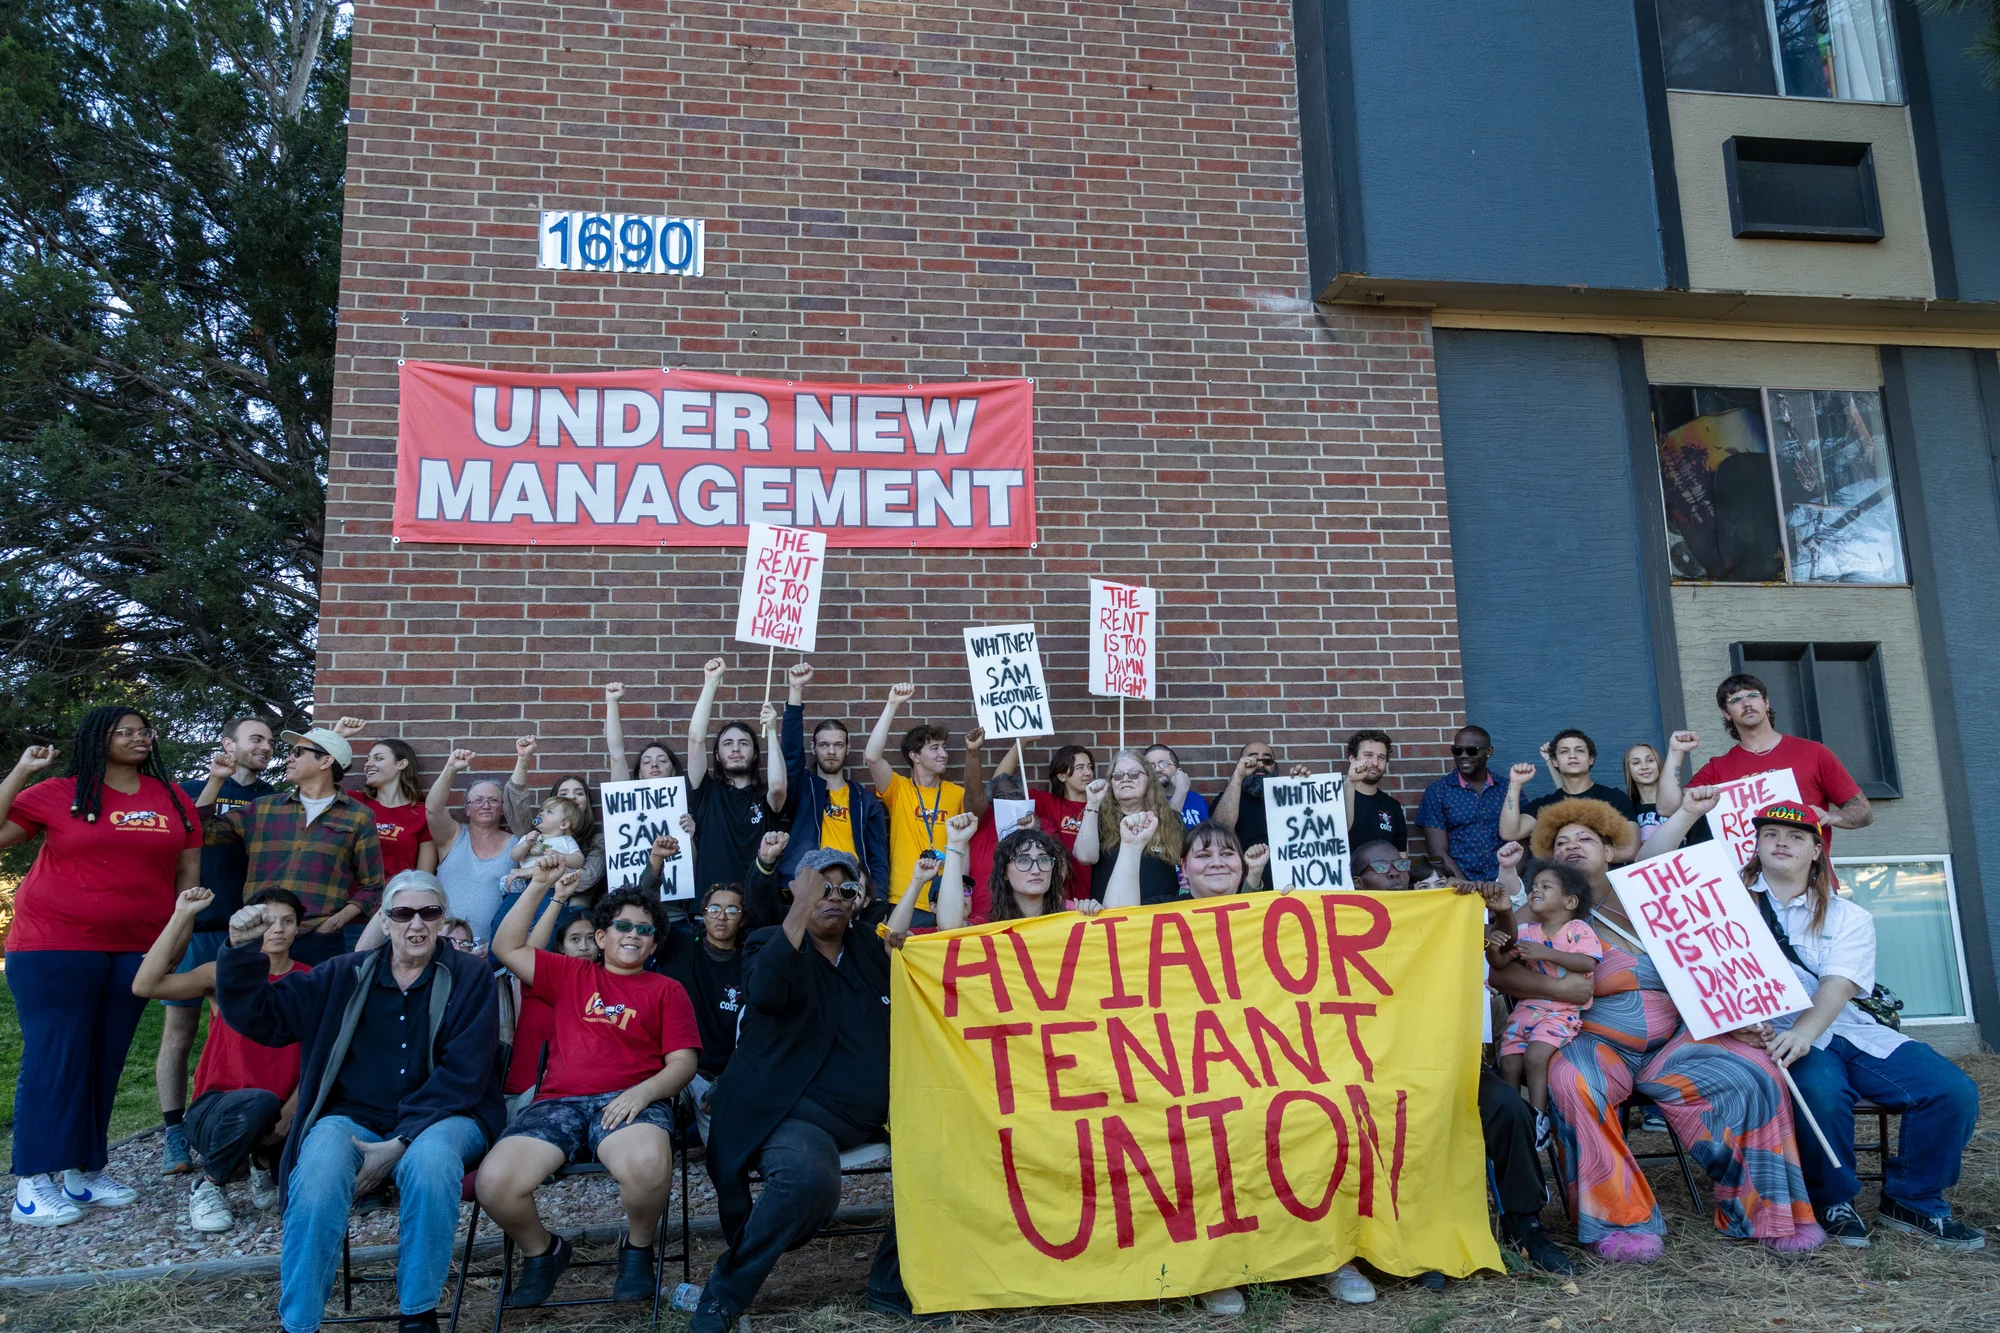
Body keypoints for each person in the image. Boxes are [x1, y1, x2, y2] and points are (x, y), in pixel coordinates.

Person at [1507, 795, 1826, 1261]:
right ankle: (1619, 1222)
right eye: (1561, 841)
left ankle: (1767, 1214)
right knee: (1569, 1081)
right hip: (1591, 1038)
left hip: (1678, 1039)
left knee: (1756, 1071)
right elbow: (1501, 971)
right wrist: (1559, 988)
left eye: (1586, 838)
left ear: (1612, 848)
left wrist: (1737, 1016)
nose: (1573, 846)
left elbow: (1716, 963)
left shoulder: (1654, 895)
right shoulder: (1538, 913)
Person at [1104, 815, 1373, 1311]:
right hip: (1192, 1069)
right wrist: (1132, 845)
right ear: (1184, 869)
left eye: (1226, 853)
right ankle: (1218, 1270)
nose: (1217, 862)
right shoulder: (1166, 913)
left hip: (1274, 1065)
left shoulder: (1271, 910)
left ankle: (1328, 1258)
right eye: (1203, 854)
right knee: (1205, 1137)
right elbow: (1115, 923)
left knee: (1313, 1122)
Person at [215, 870, 504, 1333]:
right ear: (384, 923)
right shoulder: (342, 975)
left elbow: (465, 1073)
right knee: (318, 1169)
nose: (416, 924)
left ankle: (418, 1314)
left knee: (430, 1163)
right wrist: (240, 953)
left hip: (447, 1115)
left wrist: (402, 1141)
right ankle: (299, 1323)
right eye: (402, 913)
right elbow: (261, 1017)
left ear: (441, 918)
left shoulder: (471, 976)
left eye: (429, 913)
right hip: (353, 1116)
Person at [1738, 802, 1983, 1251]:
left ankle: (1914, 1201)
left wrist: (1804, 1034)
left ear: (1816, 850)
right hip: (1773, 1034)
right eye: (1770, 833)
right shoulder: (1728, 910)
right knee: (1821, 1094)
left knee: (1952, 1090)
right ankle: (1833, 1201)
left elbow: (1838, 986)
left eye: (1795, 836)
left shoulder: (1849, 916)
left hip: (1846, 1030)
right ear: (1756, 844)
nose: (1781, 842)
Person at [689, 851, 918, 1331]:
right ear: (798, 891)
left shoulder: (872, 948)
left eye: (845, 889)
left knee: (953, 1151)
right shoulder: (766, 941)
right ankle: (724, 1294)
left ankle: (889, 1282)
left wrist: (908, 952)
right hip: (795, 1113)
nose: (833, 898)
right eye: (821, 887)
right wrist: (798, 907)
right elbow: (767, 992)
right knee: (808, 1180)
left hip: (882, 1112)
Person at [2, 710, 201, 1227]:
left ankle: (82, 1173)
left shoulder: (174, 798)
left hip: (135, 949)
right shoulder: (59, 791)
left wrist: (174, 940)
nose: (138, 738)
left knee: (104, 1058)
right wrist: (23, 771)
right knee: (56, 1056)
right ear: (98, 739)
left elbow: (188, 874)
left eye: (144, 731)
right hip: (55, 943)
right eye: (124, 731)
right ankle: (32, 1181)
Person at [1349, 839, 1574, 1276]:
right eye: (1381, 866)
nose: (1395, 871)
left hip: (1451, 1060)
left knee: (1510, 1108)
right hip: (1380, 1070)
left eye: (1400, 862)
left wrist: (1502, 911)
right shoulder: (1343, 929)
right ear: (1359, 882)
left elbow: (1503, 955)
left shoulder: (1440, 919)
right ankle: (1419, 1235)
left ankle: (1524, 1224)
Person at [480, 865, 701, 1307]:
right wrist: (542, 887)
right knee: (495, 1183)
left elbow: (684, 1063)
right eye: (622, 925)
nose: (633, 934)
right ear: (601, 937)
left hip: (631, 1100)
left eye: (645, 929)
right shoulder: (569, 974)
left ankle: (637, 1250)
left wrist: (643, 1093)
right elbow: (506, 947)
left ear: (654, 942)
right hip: (559, 1103)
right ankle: (543, 1252)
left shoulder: (666, 990)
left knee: (647, 1165)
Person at [133, 886, 310, 1234]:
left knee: (302, 1182)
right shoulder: (222, 974)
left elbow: (323, 1053)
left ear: (297, 928)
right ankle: (209, 1186)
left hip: (285, 1111)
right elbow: (145, 985)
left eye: (287, 921)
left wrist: (292, 1111)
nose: (277, 929)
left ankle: (262, 1166)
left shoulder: (312, 979)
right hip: (219, 1109)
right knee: (257, 1103)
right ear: (249, 923)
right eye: (267, 921)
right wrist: (182, 914)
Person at [159, 713, 277, 1177]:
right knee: (180, 1030)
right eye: (256, 738)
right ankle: (174, 1132)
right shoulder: (190, 788)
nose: (265, 746)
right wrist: (214, 782)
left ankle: (232, 1124)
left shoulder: (271, 799)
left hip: (246, 929)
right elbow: (186, 831)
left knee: (238, 1031)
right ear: (228, 744)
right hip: (194, 925)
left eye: (269, 740)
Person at [196, 726, 385, 966]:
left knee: (315, 1004)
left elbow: (373, 885)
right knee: (250, 1002)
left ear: (326, 761)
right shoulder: (263, 808)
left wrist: (334, 923)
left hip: (318, 940)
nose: (288, 757)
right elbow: (203, 833)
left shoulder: (359, 816)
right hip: (259, 934)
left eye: (298, 752)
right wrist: (216, 779)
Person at [1662, 674, 1873, 863]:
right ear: (1726, 713)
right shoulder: (1718, 767)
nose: (1746, 703)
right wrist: (1675, 753)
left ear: (1766, 702)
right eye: (1735, 700)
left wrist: (1830, 817)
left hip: (1812, 882)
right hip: (1751, 889)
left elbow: (1864, 812)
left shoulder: (1813, 752)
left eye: (1752, 695)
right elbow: (1668, 808)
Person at [1490, 861, 1602, 1145]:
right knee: (1509, 1063)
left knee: (1535, 1057)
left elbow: (1587, 961)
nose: (1535, 890)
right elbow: (1501, 964)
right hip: (1526, 1011)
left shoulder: (1577, 929)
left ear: (1570, 901)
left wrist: (1546, 953)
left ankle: (1538, 1118)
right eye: (1534, 886)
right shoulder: (1526, 930)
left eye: (1545, 887)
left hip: (1559, 1013)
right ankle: (1512, 1120)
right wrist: (1493, 947)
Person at [862, 682, 971, 925]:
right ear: (914, 756)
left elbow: (964, 846)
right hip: (906, 895)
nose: (943, 754)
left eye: (943, 747)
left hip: (948, 897)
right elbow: (871, 756)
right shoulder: (898, 789)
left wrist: (964, 892)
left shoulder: (957, 794)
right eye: (934, 748)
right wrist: (892, 705)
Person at [777, 663, 890, 892]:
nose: (831, 751)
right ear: (813, 748)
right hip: (809, 885)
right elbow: (790, 754)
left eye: (838, 745)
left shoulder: (864, 800)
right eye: (824, 745)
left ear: (848, 748)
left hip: (852, 890)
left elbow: (878, 856)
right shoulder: (803, 787)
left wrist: (877, 897)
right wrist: (795, 692)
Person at [653, 874, 748, 1145]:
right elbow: (646, 906)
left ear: (742, 918)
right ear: (703, 914)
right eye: (714, 909)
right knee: (648, 1132)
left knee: (728, 1155)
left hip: (722, 1080)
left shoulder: (750, 962)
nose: (722, 917)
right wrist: (656, 864)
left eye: (732, 910)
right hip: (672, 1068)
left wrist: (728, 1082)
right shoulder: (680, 947)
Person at [687, 658, 788, 899]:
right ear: (718, 756)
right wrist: (711, 683)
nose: (735, 749)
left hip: (757, 911)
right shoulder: (706, 792)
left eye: (743, 743)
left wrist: (772, 729)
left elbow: (778, 785)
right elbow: (695, 740)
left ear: (755, 755)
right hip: (709, 910)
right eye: (727, 744)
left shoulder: (765, 797)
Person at [502, 871, 599, 1110]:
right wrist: (558, 898)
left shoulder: (607, 983)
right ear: (561, 947)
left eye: (591, 939)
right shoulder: (542, 977)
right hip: (526, 1096)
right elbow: (528, 952)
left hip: (580, 1094)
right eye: (575, 939)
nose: (584, 947)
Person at [932, 812, 1099, 928]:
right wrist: (955, 844)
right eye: (1024, 860)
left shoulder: (1073, 916)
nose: (1036, 870)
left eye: (1043, 859)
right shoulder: (990, 925)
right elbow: (949, 925)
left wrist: (1095, 915)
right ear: (1004, 872)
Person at [424, 750, 514, 946]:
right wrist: (451, 769)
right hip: (442, 944)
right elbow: (432, 809)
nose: (486, 805)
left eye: (493, 800)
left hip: (492, 950)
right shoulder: (452, 836)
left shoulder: (517, 844)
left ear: (502, 808)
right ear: (466, 808)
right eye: (478, 800)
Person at [1073, 750, 1185, 905]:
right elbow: (1085, 857)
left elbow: (1187, 865)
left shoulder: (1171, 819)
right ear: (1111, 783)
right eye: (1118, 775)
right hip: (1113, 916)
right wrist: (1092, 803)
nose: (1125, 779)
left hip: (1161, 916)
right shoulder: (1098, 818)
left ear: (1149, 780)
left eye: (1133, 774)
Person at [504, 736, 607, 901]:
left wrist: (530, 872)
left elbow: (587, 877)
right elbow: (515, 806)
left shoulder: (597, 840)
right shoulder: (535, 833)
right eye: (564, 795)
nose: (571, 798)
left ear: (587, 803)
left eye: (579, 793)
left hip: (565, 911)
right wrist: (523, 759)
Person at [1499, 729, 1637, 844]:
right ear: (1555, 762)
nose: (1572, 755)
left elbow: (1630, 849)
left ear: (1591, 759)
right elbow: (1509, 833)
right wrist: (1515, 784)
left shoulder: (1614, 797)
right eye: (1564, 751)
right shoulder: (1544, 806)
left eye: (1579, 750)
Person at [996, 741, 1095, 897]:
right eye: (1080, 768)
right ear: (1062, 775)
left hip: (1094, 895)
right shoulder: (1046, 802)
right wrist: (1021, 742)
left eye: (1090, 767)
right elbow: (999, 783)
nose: (1088, 773)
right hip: (1057, 898)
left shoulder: (1100, 805)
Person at [1415, 726, 1506, 882]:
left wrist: (1504, 882)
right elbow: (1437, 851)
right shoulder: (1438, 791)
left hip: (1505, 886)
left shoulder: (1507, 789)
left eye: (1471, 750)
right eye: (1457, 750)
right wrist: (1468, 886)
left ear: (1489, 751)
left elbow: (1522, 844)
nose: (1463, 756)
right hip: (1460, 888)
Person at [350, 733, 439, 880]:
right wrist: (338, 735)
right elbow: (314, 784)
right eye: (368, 759)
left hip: (396, 898)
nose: (367, 764)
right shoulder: (355, 802)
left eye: (378, 758)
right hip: (353, 900)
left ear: (401, 764)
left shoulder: (422, 814)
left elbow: (423, 877)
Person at [602, 681, 688, 784]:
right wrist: (612, 702)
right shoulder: (629, 798)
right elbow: (617, 757)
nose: (654, 764)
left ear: (674, 770)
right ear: (639, 774)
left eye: (662, 760)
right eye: (647, 762)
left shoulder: (686, 795)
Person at [502, 795, 586, 896]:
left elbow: (579, 861)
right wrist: (526, 844)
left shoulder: (566, 840)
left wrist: (559, 855)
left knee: (543, 911)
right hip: (525, 884)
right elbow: (514, 856)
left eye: (549, 811)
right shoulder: (530, 836)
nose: (541, 813)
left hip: (550, 887)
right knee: (508, 910)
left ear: (563, 824)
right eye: (542, 810)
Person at [1343, 730, 1406, 851]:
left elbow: (1401, 857)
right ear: (1352, 758)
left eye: (1381, 757)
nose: (1375, 763)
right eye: (1368, 755)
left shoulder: (1392, 807)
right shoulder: (1332, 798)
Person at [1211, 738, 1279, 848]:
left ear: (1274, 766)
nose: (1260, 765)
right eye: (1252, 760)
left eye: (1267, 761)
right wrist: (1238, 775)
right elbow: (1218, 833)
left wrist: (1302, 786)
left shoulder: (1287, 798)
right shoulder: (1226, 800)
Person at [1144, 743, 1208, 827]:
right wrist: (1181, 791)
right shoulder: (1143, 802)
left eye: (1164, 763)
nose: (1157, 769)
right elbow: (1164, 831)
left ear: (1179, 771)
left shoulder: (1197, 800)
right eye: (1150, 766)